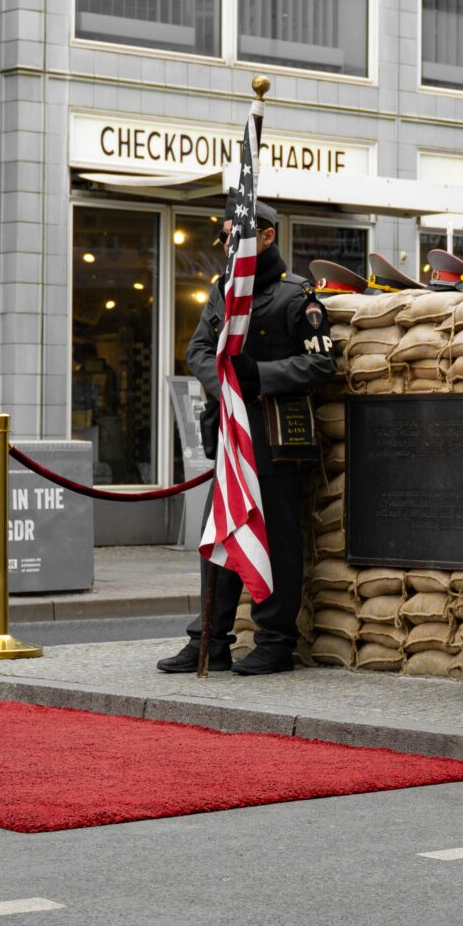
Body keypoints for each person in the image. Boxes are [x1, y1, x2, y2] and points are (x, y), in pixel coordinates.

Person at [157, 201, 337, 676]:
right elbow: (197, 350)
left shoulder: (296, 295)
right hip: (230, 432)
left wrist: (256, 376)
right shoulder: (223, 292)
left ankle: (276, 641)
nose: (226, 244)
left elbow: (321, 364)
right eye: (222, 237)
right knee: (217, 535)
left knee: (275, 539)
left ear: (267, 236)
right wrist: (228, 389)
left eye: (234, 234)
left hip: (274, 434)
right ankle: (210, 640)